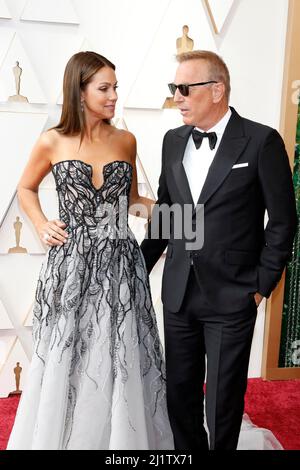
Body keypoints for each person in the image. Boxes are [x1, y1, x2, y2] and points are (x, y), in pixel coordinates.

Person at [7, 51, 174, 450]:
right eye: (104, 88)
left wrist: (182, 214)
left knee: (118, 351)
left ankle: (119, 440)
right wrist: (41, 223)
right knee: (72, 351)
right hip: (71, 264)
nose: (114, 95)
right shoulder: (52, 140)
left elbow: (131, 199)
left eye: (115, 86)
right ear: (79, 92)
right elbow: (25, 188)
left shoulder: (125, 140)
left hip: (120, 262)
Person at [140, 50, 297, 450]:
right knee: (180, 397)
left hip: (233, 294)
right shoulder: (172, 141)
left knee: (222, 403)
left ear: (217, 89)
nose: (176, 96)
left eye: (184, 88)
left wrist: (261, 285)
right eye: (173, 88)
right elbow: (168, 213)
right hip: (178, 293)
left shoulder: (261, 141)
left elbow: (282, 221)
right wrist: (136, 267)